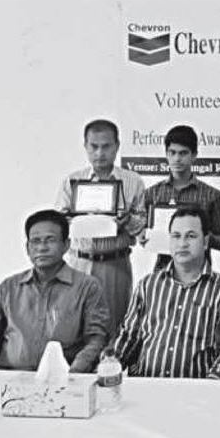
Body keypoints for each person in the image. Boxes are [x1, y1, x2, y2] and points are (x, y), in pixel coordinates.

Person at [0, 210, 109, 372]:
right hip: (8, 376)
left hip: (61, 378)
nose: (42, 248)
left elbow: (96, 339)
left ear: (66, 245)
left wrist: (74, 373)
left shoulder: (87, 287)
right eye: (35, 241)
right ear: (27, 248)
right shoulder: (9, 287)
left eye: (50, 240)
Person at [114, 207, 220, 379]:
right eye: (176, 236)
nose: (182, 244)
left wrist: (211, 384)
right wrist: (108, 366)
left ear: (205, 242)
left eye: (191, 236)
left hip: (197, 390)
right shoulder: (148, 286)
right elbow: (128, 338)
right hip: (147, 385)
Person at [56, 119, 146, 338]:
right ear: (85, 146)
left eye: (106, 146)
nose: (99, 153)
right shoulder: (72, 181)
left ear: (117, 146)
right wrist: (73, 220)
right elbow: (57, 225)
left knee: (114, 331)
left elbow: (143, 227)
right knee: (74, 330)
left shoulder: (133, 181)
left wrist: (127, 221)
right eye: (94, 146)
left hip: (115, 264)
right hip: (79, 263)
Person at [143, 125, 220, 270]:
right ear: (166, 154)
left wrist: (199, 234)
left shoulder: (212, 195)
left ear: (194, 155)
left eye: (183, 153)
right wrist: (143, 236)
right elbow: (143, 234)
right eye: (172, 153)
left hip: (199, 273)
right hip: (163, 271)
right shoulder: (152, 194)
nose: (177, 159)